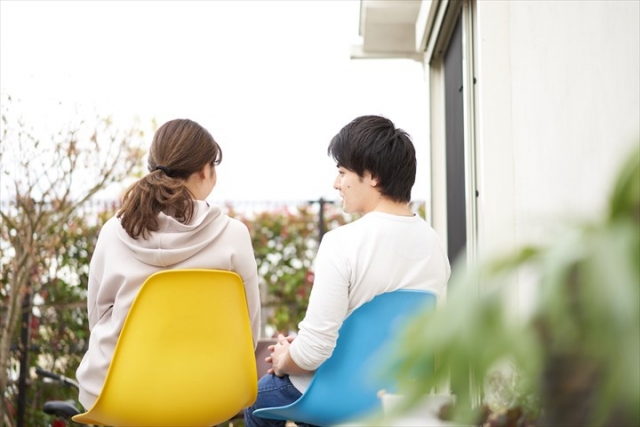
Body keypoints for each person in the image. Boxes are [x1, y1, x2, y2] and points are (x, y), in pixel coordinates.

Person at [244, 115, 451, 426]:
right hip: (399, 397)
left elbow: (314, 351)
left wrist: (285, 358)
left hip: (334, 396)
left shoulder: (342, 242)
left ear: (372, 177)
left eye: (342, 172)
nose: (336, 183)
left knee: (259, 395)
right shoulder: (433, 244)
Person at [75, 118, 261, 410]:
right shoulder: (234, 236)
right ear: (204, 170)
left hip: (117, 393)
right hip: (206, 391)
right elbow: (247, 333)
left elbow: (98, 318)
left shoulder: (113, 232)